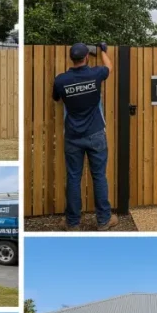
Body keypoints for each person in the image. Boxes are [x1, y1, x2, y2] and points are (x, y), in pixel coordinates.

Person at [52, 42, 119, 231]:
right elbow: (109, 67)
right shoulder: (96, 74)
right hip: (96, 133)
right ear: (86, 57)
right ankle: (104, 220)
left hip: (73, 136)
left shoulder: (61, 80)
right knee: (99, 176)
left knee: (73, 177)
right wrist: (104, 51)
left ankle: (72, 223)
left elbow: (56, 98)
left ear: (70, 58)